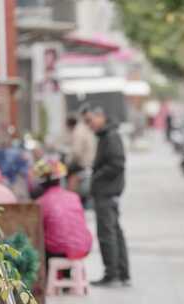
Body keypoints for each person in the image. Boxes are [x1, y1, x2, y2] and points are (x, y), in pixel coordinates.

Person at [81, 106, 131, 287]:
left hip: (107, 191)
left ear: (100, 116)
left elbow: (117, 164)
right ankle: (121, 273)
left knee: (107, 233)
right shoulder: (107, 135)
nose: (89, 125)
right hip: (108, 190)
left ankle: (113, 274)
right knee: (114, 231)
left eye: (89, 120)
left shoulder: (111, 136)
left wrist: (96, 176)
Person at [29, 159, 93, 271]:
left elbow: (37, 230)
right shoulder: (74, 197)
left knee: (41, 245)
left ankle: (50, 281)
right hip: (84, 247)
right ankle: (67, 279)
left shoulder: (40, 203)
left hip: (57, 250)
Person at [64, 116, 96, 207]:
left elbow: (76, 152)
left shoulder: (77, 132)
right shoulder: (85, 129)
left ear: (69, 125)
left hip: (82, 164)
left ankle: (70, 203)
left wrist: (68, 162)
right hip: (88, 163)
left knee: (67, 174)